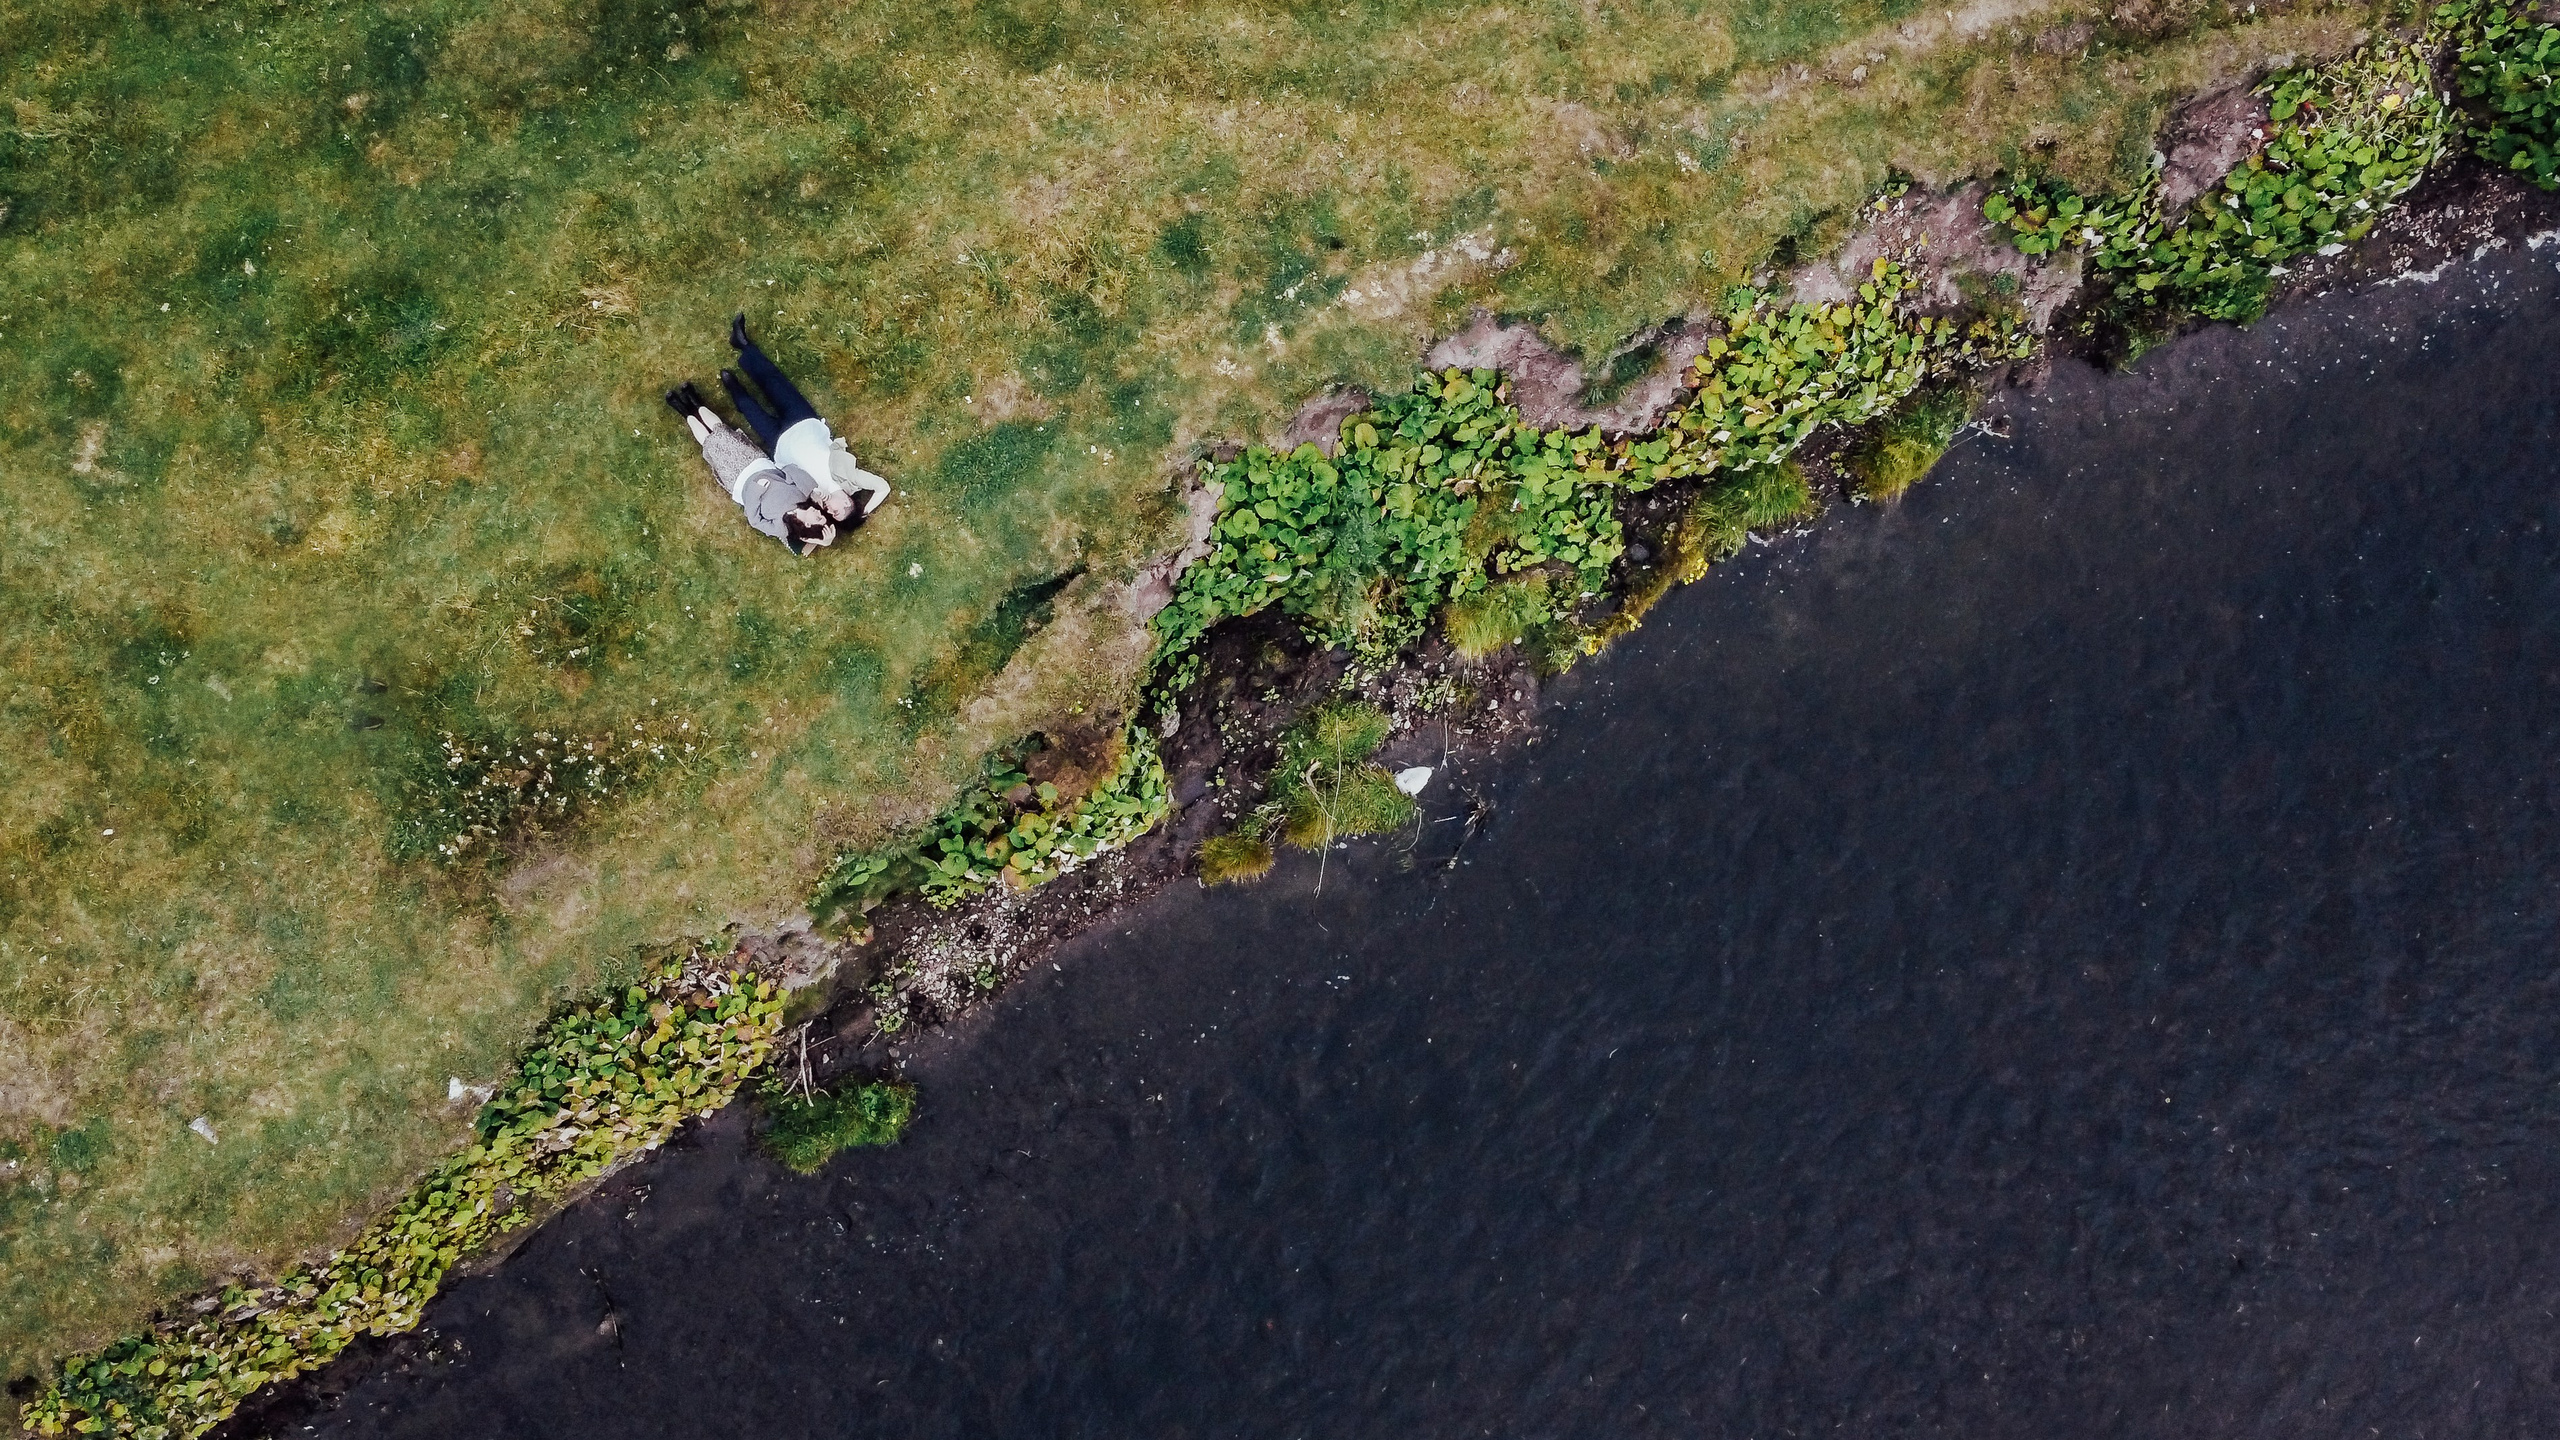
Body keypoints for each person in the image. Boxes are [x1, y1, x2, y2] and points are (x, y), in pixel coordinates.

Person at [718, 314, 888, 528]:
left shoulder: (815, 502)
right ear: (847, 500)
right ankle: (743, 345)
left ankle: (732, 385)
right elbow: (883, 487)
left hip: (778, 442)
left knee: (750, 409)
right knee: (773, 382)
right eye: (838, 512)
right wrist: (863, 513)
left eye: (832, 516)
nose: (830, 512)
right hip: (803, 422)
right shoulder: (852, 479)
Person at [662, 380, 836, 554]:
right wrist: (812, 490)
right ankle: (696, 403)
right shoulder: (805, 495)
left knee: (710, 444)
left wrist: (757, 489)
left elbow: (754, 519)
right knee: (722, 433)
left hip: (738, 481)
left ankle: (684, 411)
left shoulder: (783, 528)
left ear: (808, 524)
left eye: (819, 517)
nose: (819, 511)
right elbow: (791, 470)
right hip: (756, 463)